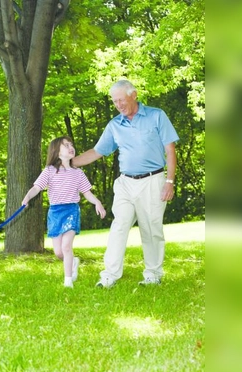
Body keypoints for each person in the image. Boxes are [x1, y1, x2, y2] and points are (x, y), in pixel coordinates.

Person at [71, 79, 179, 288]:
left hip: (153, 180)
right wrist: (68, 162)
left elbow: (170, 150)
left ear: (134, 95)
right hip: (125, 183)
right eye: (114, 102)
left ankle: (153, 274)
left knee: (151, 229)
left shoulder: (156, 116)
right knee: (119, 225)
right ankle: (109, 276)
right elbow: (97, 152)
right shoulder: (114, 125)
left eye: (121, 99)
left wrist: (170, 181)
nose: (118, 105)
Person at [22, 136, 106, 288]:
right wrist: (27, 198)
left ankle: (68, 280)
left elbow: (87, 192)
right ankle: (73, 262)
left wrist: (97, 202)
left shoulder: (78, 173)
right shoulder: (49, 171)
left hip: (71, 210)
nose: (70, 147)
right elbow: (37, 187)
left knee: (67, 246)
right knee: (59, 252)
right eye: (66, 145)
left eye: (71, 144)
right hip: (55, 212)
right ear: (57, 152)